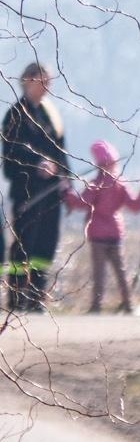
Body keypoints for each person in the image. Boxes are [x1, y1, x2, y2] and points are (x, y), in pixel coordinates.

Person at [2, 63, 68, 312]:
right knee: (23, 245)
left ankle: (37, 294)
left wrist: (63, 176)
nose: (47, 87)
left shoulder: (51, 116)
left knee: (45, 246)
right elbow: (10, 156)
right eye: (43, 81)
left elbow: (61, 152)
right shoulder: (15, 115)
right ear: (28, 80)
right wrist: (35, 165)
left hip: (51, 195)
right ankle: (17, 297)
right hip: (27, 193)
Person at [63, 139, 140, 313]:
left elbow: (81, 203)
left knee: (99, 273)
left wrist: (66, 192)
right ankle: (128, 305)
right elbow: (135, 206)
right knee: (121, 272)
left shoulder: (96, 184)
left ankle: (96, 306)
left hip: (97, 233)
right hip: (115, 232)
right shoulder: (120, 183)